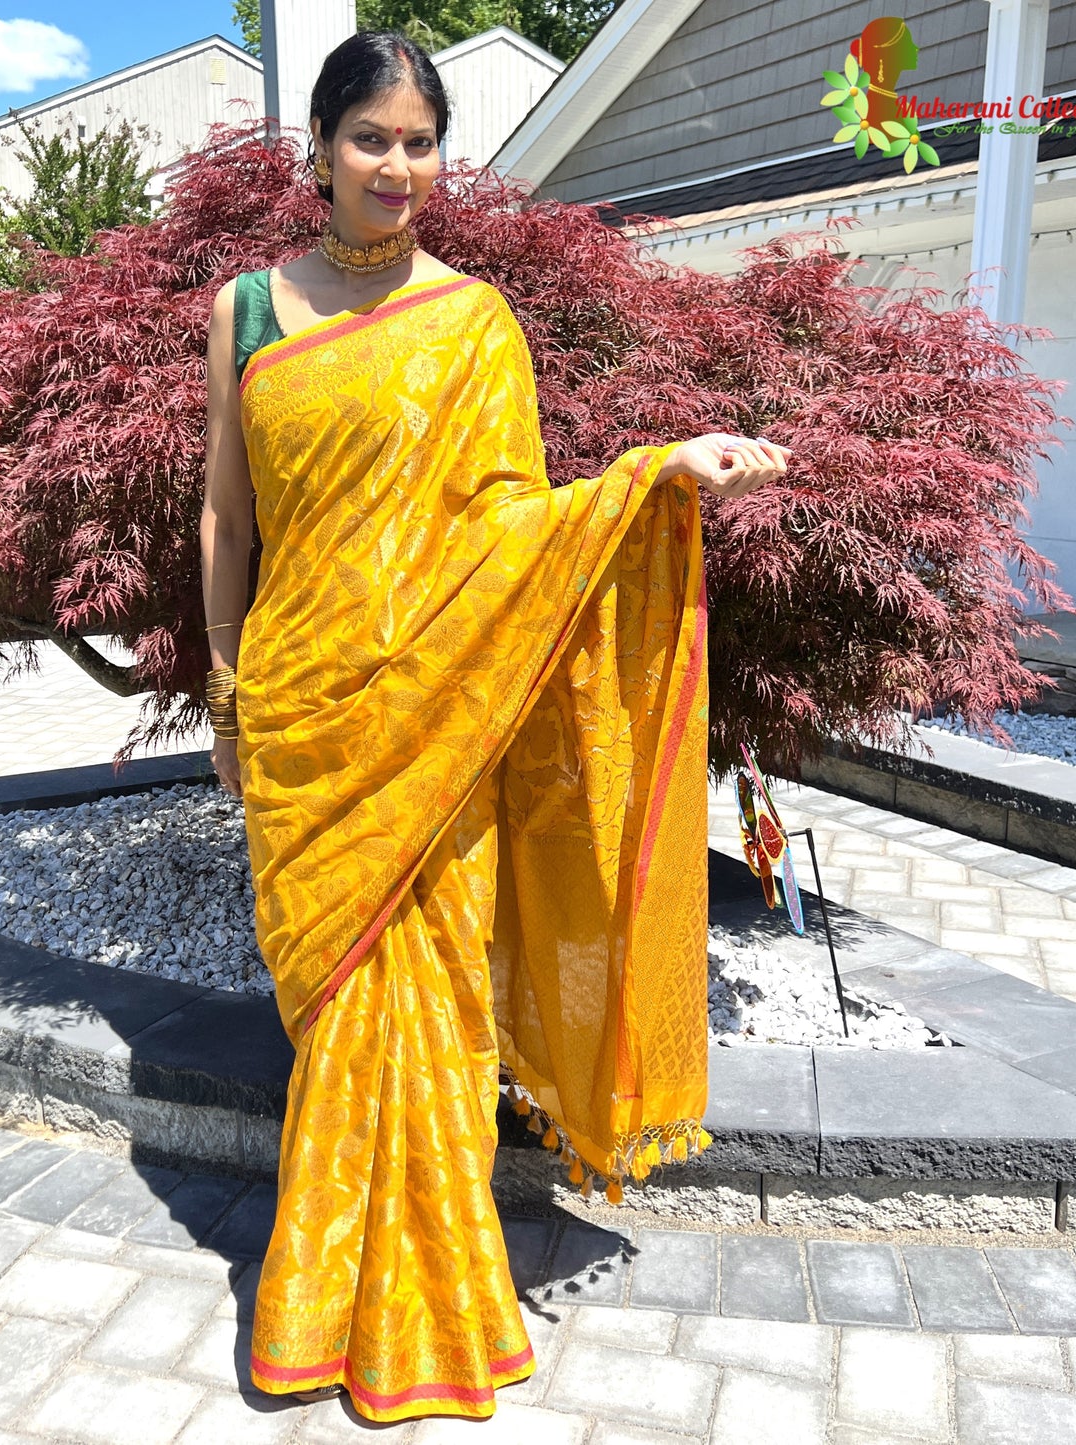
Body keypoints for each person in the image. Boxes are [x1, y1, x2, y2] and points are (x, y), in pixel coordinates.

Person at [198, 30, 789, 1425]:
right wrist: (224, 678)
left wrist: (655, 476)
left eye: (420, 141)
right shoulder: (243, 311)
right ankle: (328, 1293)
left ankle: (411, 1297)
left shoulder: (474, 323)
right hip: (300, 710)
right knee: (336, 1011)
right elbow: (226, 511)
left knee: (433, 1005)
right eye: (370, 139)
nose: (397, 167)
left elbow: (514, 533)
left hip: (436, 719)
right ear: (320, 150)